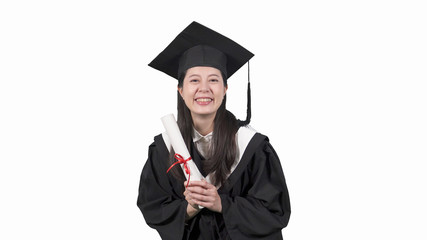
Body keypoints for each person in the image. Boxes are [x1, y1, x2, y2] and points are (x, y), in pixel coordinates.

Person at [137, 21, 291, 240]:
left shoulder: (253, 147)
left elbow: (276, 213)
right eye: (194, 80)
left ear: (225, 88)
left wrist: (221, 204)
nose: (204, 88)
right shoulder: (164, 148)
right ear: (181, 90)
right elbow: (152, 207)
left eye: (213, 80)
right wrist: (190, 209)